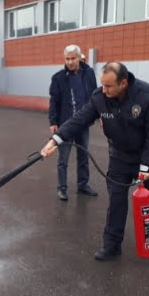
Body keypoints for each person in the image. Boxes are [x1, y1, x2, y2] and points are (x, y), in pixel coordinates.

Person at [41, 62, 149, 264]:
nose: (104, 90)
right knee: (116, 201)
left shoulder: (147, 95)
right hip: (120, 157)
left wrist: (146, 166)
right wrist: (55, 141)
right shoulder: (99, 97)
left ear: (123, 83)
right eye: (102, 85)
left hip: (148, 157)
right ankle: (112, 245)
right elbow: (79, 119)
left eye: (109, 86)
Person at [48, 44, 98, 201]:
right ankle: (62, 188)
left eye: (73, 58)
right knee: (63, 159)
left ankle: (83, 185)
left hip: (83, 124)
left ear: (79, 58)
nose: (70, 62)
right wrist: (53, 121)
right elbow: (54, 101)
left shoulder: (89, 73)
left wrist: (99, 115)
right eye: (67, 59)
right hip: (65, 125)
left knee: (83, 156)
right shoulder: (58, 78)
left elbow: (95, 96)